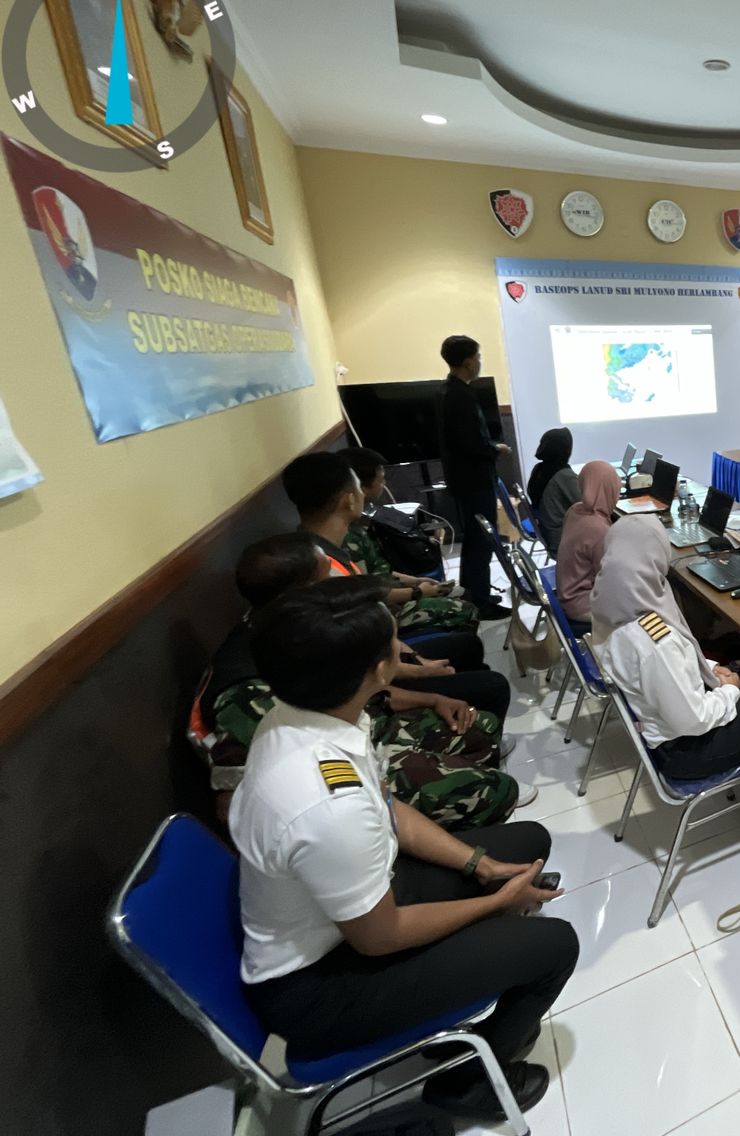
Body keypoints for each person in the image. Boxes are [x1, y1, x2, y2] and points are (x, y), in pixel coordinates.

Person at [233, 579, 577, 1121]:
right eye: (394, 644)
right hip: (321, 984)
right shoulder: (325, 804)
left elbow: (390, 808)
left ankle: (475, 995)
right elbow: (380, 937)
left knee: (529, 840)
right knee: (556, 946)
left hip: (348, 913)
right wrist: (495, 902)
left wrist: (479, 864)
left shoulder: (304, 713)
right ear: (377, 670)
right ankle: (468, 1084)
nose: (402, 650)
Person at [188, 534, 526, 830]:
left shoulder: (292, 629)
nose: (337, 585)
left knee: (481, 728)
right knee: (493, 789)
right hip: (337, 779)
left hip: (361, 732)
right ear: (302, 592)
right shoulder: (248, 688)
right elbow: (244, 799)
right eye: (326, 579)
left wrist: (431, 698)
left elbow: (356, 694)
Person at [282, 453, 511, 716]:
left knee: (470, 647)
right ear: (349, 499)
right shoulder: (323, 569)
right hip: (378, 679)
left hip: (387, 651)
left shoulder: (322, 551)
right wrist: (421, 669)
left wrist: (416, 658)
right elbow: (364, 661)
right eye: (358, 487)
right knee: (493, 684)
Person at [591, 519, 740, 772]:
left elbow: (664, 666)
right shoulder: (654, 640)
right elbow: (693, 719)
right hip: (689, 749)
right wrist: (729, 691)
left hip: (670, 717)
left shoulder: (611, 604)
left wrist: (708, 667)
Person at [339, 446, 478, 631]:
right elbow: (370, 593)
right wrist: (417, 591)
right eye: (381, 480)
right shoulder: (348, 538)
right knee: (466, 609)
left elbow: (380, 573)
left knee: (462, 592)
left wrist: (415, 581)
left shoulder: (357, 528)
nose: (384, 484)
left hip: (389, 595)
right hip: (382, 614)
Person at [435, 335, 512, 619]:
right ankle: (480, 603)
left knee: (474, 540)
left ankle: (475, 593)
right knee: (481, 541)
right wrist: (495, 449)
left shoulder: (446, 390)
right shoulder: (461, 396)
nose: (480, 363)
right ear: (468, 362)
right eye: (478, 358)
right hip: (474, 481)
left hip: (463, 480)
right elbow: (472, 443)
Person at [555, 462, 621, 636]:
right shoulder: (598, 529)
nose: (618, 494)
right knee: (641, 604)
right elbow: (610, 577)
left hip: (567, 592)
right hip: (582, 604)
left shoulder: (574, 510)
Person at [526, 427, 580, 557]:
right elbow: (588, 502)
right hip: (562, 539)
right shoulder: (564, 475)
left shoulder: (539, 469)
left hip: (548, 532)